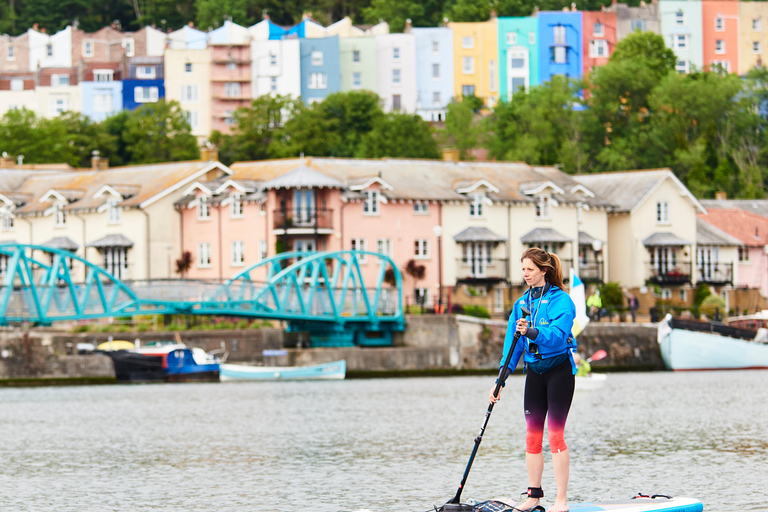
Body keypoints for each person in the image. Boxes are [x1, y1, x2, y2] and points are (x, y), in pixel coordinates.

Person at [489, 247, 577, 512]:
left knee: (555, 436)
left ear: (543, 271)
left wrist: (533, 331)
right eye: (523, 269)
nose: (525, 274)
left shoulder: (562, 300)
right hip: (535, 375)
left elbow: (558, 335)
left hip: (559, 373)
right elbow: (512, 347)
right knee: (532, 437)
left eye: (529, 269)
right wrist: (500, 381)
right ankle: (534, 496)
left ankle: (561, 500)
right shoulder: (521, 305)